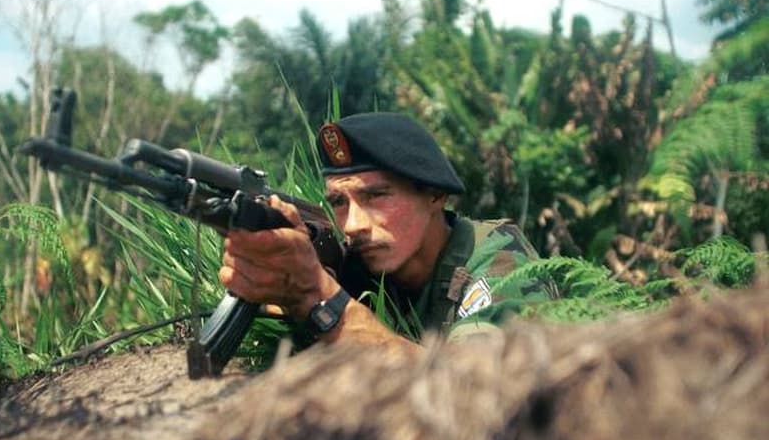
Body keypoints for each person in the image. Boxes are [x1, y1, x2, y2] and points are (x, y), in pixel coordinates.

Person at [219, 112, 554, 351]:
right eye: (338, 202)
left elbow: (475, 391)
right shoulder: (363, 268)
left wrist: (318, 296)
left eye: (376, 196)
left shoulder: (501, 261)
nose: (353, 225)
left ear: (435, 194)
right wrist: (280, 287)